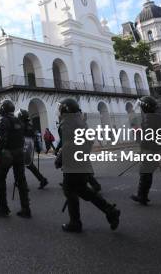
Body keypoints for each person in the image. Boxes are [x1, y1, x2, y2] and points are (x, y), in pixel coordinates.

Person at [56, 98, 119, 232]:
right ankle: (110, 210)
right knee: (83, 190)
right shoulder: (81, 122)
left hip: (73, 164)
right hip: (82, 162)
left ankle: (75, 223)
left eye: (60, 108)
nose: (59, 110)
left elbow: (67, 145)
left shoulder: (67, 123)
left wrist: (60, 159)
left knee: (70, 190)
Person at [0, 100, 31, 218]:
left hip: (8, 154)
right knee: (21, 180)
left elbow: (1, 139)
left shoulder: (3, 120)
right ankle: (26, 209)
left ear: (3, 109)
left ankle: (3, 208)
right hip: (19, 153)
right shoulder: (18, 120)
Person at [17, 110, 48, 189]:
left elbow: (19, 137)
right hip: (30, 145)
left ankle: (22, 182)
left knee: (22, 165)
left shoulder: (21, 125)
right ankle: (41, 179)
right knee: (27, 165)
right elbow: (35, 136)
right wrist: (37, 147)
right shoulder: (30, 125)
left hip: (24, 146)